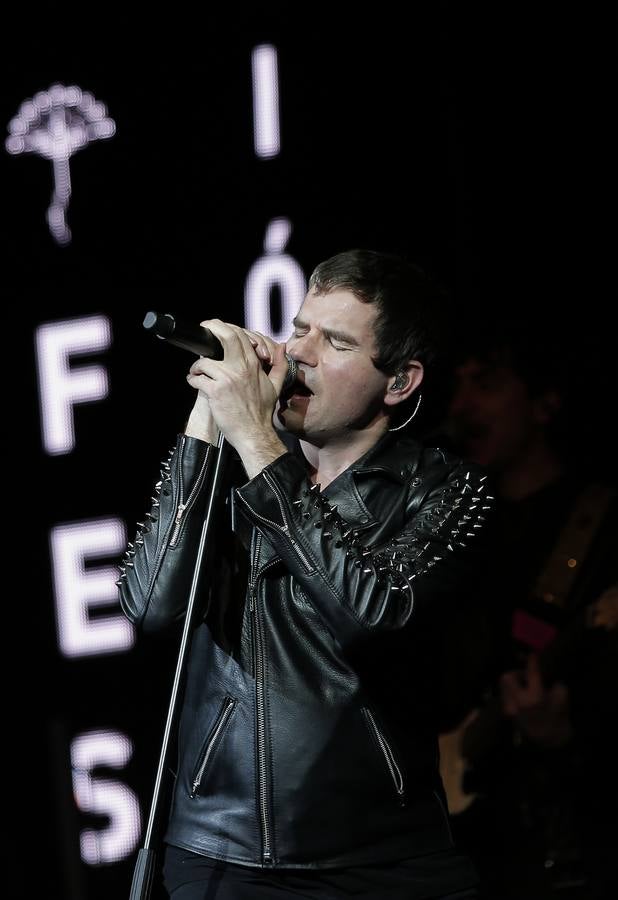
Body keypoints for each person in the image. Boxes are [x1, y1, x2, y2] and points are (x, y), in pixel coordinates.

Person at [118, 249, 494, 899]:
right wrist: (209, 419)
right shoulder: (232, 468)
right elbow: (150, 606)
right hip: (221, 854)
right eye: (299, 329)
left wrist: (260, 448)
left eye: (336, 341)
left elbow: (373, 614)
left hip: (384, 862)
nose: (300, 353)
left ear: (399, 382)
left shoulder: (442, 489)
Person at [438, 316, 618, 899]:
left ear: (543, 404)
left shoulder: (600, 526)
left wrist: (567, 735)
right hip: (458, 848)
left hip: (560, 846)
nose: (463, 406)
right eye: (459, 386)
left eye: (486, 385)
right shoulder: (449, 525)